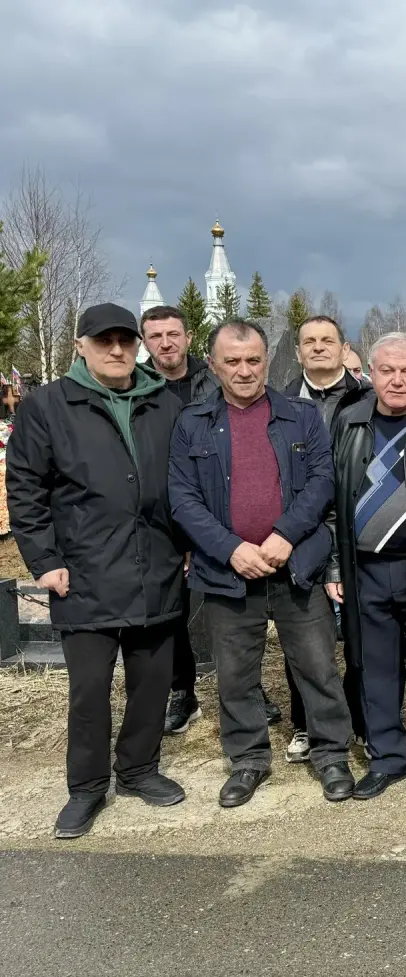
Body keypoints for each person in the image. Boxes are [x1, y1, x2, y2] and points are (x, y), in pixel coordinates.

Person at [8, 303, 188, 838]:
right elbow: (26, 489)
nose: (116, 349)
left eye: (125, 341)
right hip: (83, 571)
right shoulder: (48, 406)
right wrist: (44, 560)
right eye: (104, 340)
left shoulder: (163, 402)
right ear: (80, 346)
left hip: (155, 564)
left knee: (152, 681)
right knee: (89, 690)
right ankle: (86, 788)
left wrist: (187, 546)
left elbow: (183, 482)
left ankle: (138, 769)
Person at [168, 319, 355, 807]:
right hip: (227, 571)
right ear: (213, 365)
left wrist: (285, 535)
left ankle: (331, 754)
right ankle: (248, 760)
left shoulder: (300, 415)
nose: (244, 370)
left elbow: (322, 482)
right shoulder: (192, 422)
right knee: (236, 676)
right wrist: (231, 548)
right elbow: (183, 499)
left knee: (317, 667)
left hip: (295, 566)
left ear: (266, 361)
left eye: (253, 360)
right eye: (232, 361)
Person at [326, 332, 406, 802]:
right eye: (387, 371)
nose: (397, 380)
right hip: (364, 569)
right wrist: (335, 566)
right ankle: (386, 759)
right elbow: (331, 500)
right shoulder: (349, 421)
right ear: (371, 373)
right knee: (374, 667)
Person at [281, 314, 369, 761]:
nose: (318, 347)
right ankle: (305, 723)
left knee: (360, 637)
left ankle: (361, 721)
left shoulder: (368, 398)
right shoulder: (280, 403)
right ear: (298, 352)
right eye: (309, 341)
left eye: (327, 340)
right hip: (302, 530)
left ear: (343, 348)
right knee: (304, 639)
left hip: (358, 529)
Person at [139, 304, 221, 738]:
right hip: (163, 515)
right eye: (155, 336)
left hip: (216, 507)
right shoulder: (137, 388)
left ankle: (246, 688)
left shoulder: (214, 382)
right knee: (171, 612)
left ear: (188, 338)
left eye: (173, 334)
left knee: (233, 607)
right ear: (145, 342)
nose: (166, 343)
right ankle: (182, 691)